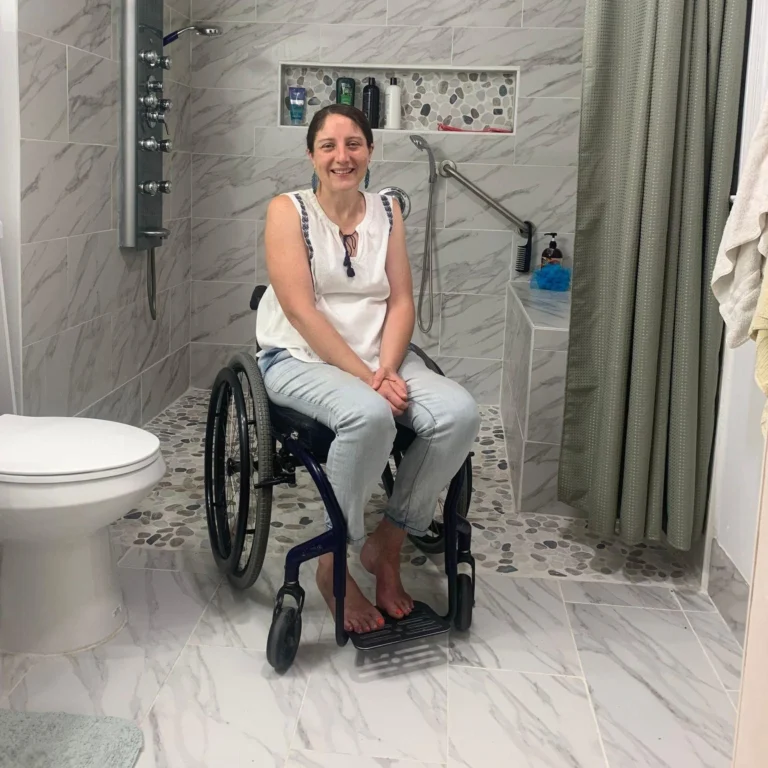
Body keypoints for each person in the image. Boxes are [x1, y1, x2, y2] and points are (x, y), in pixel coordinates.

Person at [256, 104, 480, 634]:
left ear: (370, 151)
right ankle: (333, 563)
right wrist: (367, 377)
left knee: (458, 414)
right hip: (299, 356)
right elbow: (300, 311)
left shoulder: (387, 209)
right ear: (311, 155)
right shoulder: (287, 211)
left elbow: (401, 301)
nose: (342, 156)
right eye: (329, 145)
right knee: (370, 416)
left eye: (353, 144)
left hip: (380, 359)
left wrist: (386, 368)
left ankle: (388, 544)